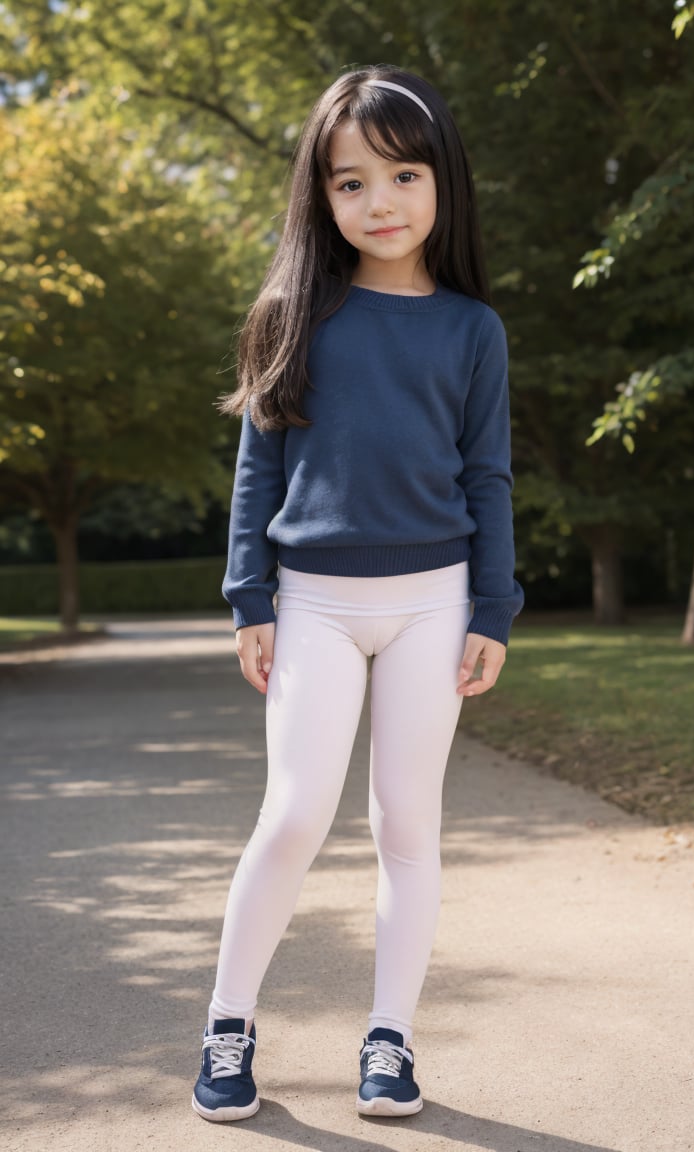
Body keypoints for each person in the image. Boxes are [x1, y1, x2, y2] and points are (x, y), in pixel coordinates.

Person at [191, 63, 524, 1124]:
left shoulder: (473, 329)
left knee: (405, 826)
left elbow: (487, 476)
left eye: (403, 175)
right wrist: (251, 598)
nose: (379, 202)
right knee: (292, 816)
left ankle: (389, 1039)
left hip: (435, 602)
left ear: (442, 185)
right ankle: (229, 1023)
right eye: (350, 183)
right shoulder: (294, 311)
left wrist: (492, 609)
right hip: (316, 605)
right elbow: (260, 469)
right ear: (319, 197)